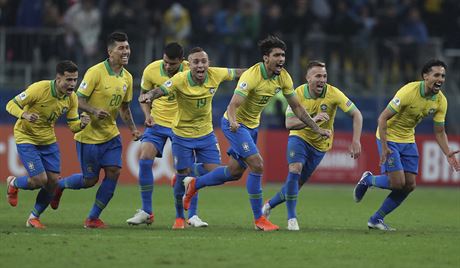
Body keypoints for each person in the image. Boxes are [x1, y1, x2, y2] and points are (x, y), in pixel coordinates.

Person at [181, 36, 331, 231]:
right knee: (258, 165)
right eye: (277, 55)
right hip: (235, 125)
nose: (281, 59)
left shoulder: (284, 77)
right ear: (266, 58)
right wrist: (234, 121)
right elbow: (233, 104)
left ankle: (194, 183)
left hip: (251, 128)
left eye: (283, 55)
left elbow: (298, 108)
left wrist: (316, 128)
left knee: (234, 173)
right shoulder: (252, 76)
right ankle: (259, 219)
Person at [139, 47, 245, 229]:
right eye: (195, 62)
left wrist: (259, 72)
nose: (200, 65)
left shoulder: (216, 74)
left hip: (206, 134)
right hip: (181, 135)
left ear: (208, 63)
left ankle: (185, 179)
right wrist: (149, 95)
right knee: (183, 175)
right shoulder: (180, 79)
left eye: (203, 61)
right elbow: (162, 90)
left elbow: (239, 73)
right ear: (190, 65)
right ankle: (180, 217)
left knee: (213, 173)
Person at [353, 59, 460, 231]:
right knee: (397, 183)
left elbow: (440, 131)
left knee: (409, 185)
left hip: (408, 140)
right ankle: (368, 180)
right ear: (425, 76)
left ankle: (376, 219)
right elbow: (382, 118)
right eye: (436, 75)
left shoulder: (441, 101)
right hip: (389, 136)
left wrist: (448, 152)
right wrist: (385, 147)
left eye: (443, 76)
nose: (440, 79)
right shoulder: (408, 92)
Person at [50, 32, 141, 228]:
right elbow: (77, 99)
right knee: (89, 180)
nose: (126, 52)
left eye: (127, 48)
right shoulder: (95, 72)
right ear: (110, 52)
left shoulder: (128, 77)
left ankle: (92, 218)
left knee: (114, 171)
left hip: (111, 135)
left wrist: (133, 129)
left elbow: (124, 107)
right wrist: (93, 110)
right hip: (89, 135)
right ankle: (60, 185)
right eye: (121, 48)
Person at [262, 60, 363, 230]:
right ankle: (292, 219)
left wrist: (356, 140)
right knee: (295, 169)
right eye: (318, 76)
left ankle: (269, 205)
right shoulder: (298, 93)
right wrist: (313, 120)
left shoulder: (333, 93)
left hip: (320, 145)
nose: (322, 79)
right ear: (308, 78)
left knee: (295, 185)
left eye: (324, 76)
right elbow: (289, 123)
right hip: (299, 137)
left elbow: (357, 114)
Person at [126, 42, 208, 229]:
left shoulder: (192, 69)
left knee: (188, 171)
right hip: (158, 121)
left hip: (181, 124)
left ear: (182, 61)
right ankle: (146, 211)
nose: (168, 66)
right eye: (165, 62)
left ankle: (191, 215)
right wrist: (147, 115)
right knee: (145, 158)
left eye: (172, 63)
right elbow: (143, 96)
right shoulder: (151, 70)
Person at [5, 60, 90, 228]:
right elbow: (10, 104)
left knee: (53, 182)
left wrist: (82, 124)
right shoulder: (39, 89)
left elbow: (73, 126)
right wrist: (24, 115)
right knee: (39, 180)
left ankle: (33, 217)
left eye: (75, 79)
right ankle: (13, 183)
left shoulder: (71, 98)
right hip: (26, 136)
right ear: (58, 79)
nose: (72, 84)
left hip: (48, 140)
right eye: (68, 80)